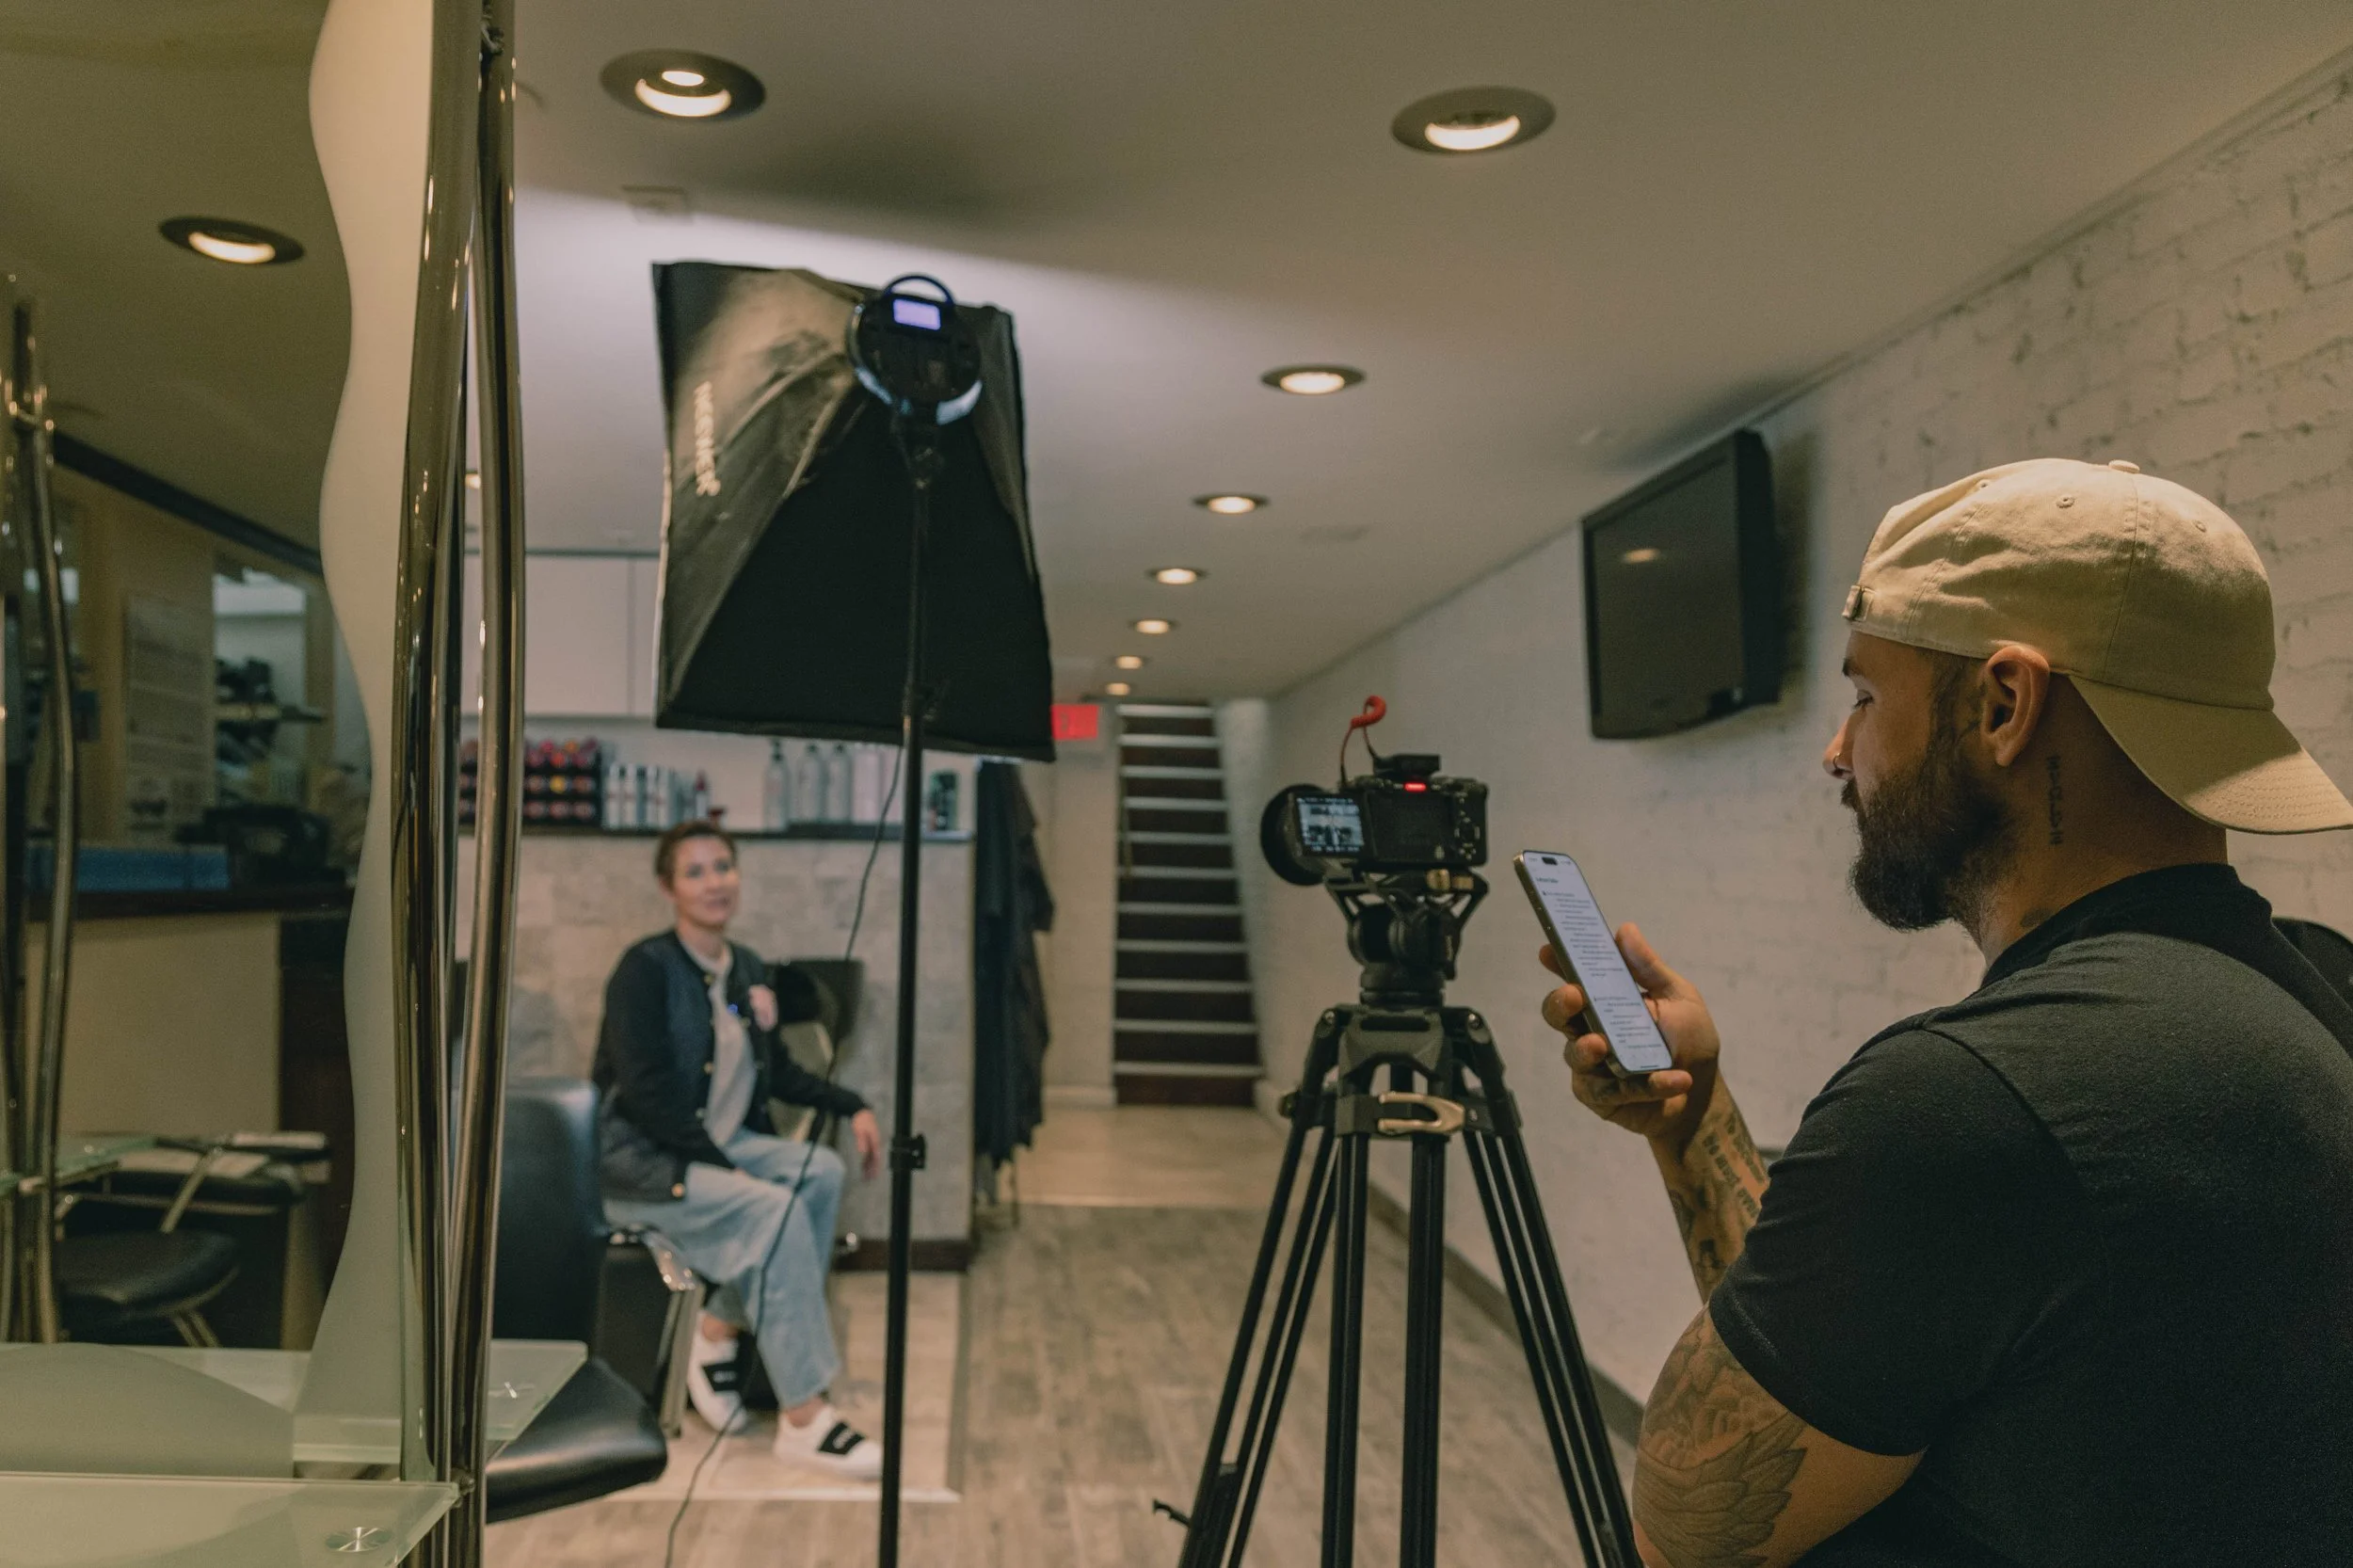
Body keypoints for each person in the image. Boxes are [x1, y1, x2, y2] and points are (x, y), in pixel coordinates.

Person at [1541, 458, 2353, 1567]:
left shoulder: (1974, 1100)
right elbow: (1837, 1369)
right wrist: (1695, 1117)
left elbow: (1689, 1526)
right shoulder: (2319, 990)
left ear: (2004, 704)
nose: (1839, 750)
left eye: (1868, 696)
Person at [596, 819, 886, 1478]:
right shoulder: (644, 971)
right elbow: (645, 1097)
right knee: (772, 1210)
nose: (713, 882)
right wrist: (732, 1173)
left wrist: (854, 1104)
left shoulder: (746, 967)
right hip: (645, 1165)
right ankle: (805, 1419)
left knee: (819, 1172)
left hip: (720, 1147)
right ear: (669, 887)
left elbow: (777, 1071)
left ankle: (717, 1330)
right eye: (695, 871)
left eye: (723, 867)